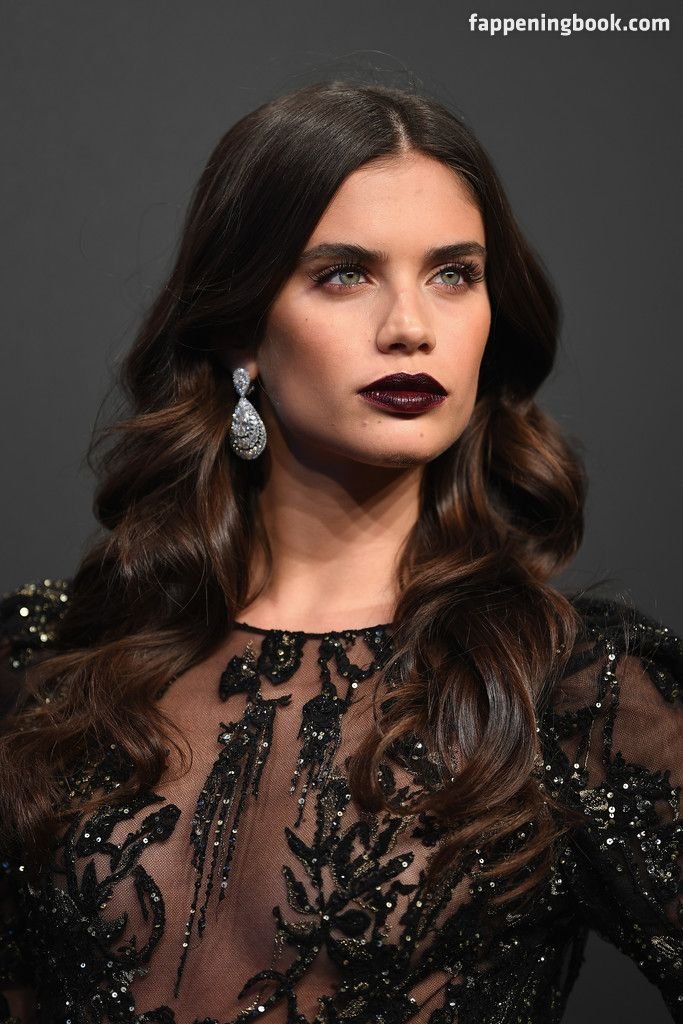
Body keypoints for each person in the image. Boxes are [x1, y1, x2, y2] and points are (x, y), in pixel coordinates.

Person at [0, 80, 681, 1024]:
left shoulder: (573, 695)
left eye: (454, 274)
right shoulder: (46, 664)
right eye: (344, 274)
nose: (410, 326)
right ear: (239, 330)